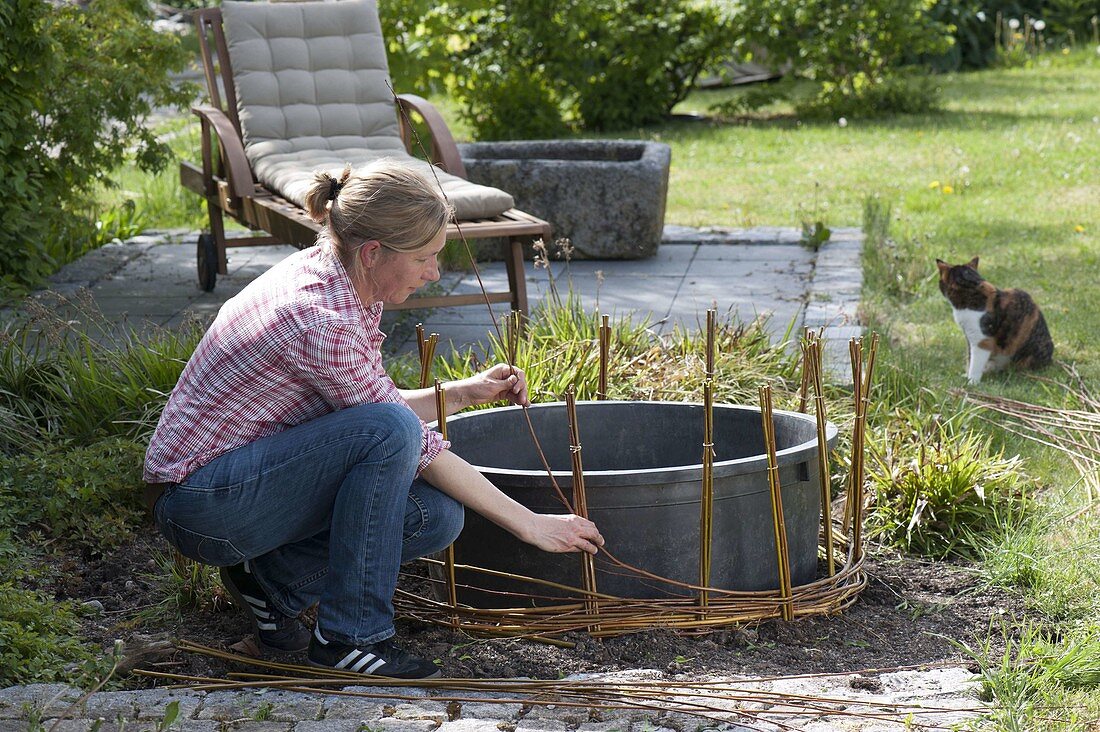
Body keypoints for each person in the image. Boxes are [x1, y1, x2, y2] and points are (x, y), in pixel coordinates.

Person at [143, 160, 604, 679]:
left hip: (244, 485)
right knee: (395, 435)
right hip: (204, 505)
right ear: (372, 252)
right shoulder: (319, 318)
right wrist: (531, 524)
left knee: (435, 515)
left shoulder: (346, 282)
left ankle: (270, 583)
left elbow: (372, 407)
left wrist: (467, 392)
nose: (434, 272)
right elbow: (397, 434)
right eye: (426, 258)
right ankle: (350, 638)